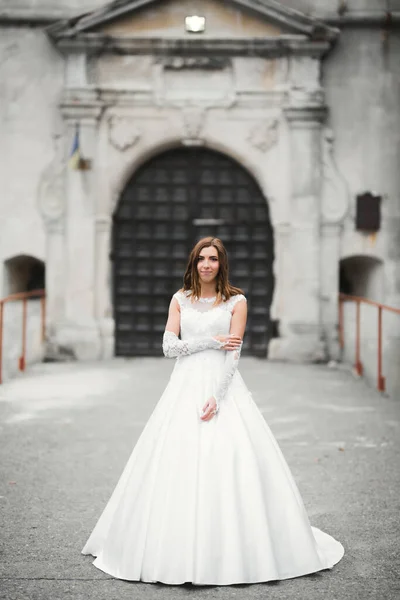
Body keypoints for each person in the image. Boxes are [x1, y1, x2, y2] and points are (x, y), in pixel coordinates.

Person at [81, 236, 344, 585]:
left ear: (221, 264)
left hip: (221, 386)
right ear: (194, 263)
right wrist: (210, 341)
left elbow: (233, 355)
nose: (207, 264)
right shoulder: (180, 299)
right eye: (201, 258)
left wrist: (218, 398)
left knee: (230, 457)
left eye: (213, 259)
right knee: (173, 459)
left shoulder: (237, 302)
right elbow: (168, 347)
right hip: (183, 385)